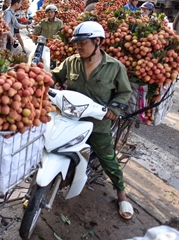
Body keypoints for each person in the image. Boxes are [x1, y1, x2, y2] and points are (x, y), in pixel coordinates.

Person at [51, 21, 133, 220]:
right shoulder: (71, 61)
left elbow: (124, 93)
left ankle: (121, 193)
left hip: (98, 123)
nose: (78, 47)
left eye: (83, 43)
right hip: (70, 119)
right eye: (76, 43)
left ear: (97, 42)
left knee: (108, 159)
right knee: (52, 147)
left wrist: (114, 110)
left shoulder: (114, 67)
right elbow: (55, 77)